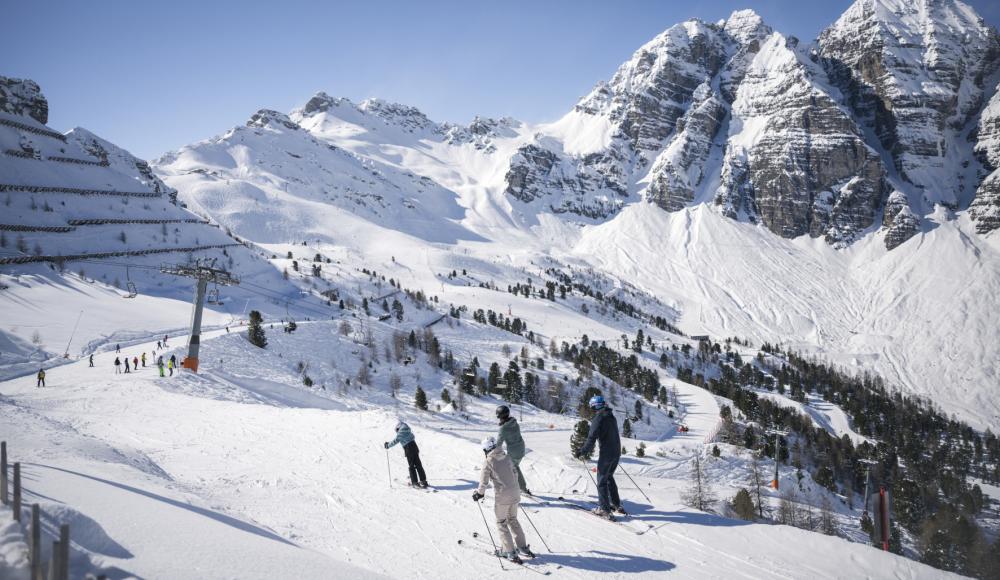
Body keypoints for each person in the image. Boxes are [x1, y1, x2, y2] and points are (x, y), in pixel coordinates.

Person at [472, 436, 534, 563]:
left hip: (503, 496)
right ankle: (522, 547)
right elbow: (515, 473)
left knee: (501, 522)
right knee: (513, 519)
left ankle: (509, 552)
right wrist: (513, 487)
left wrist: (479, 494)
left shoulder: (489, 461)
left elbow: (483, 481)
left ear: (486, 449)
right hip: (515, 492)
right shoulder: (506, 456)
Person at [576, 395, 624, 518]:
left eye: (591, 406)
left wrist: (582, 451)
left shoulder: (598, 418)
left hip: (607, 453)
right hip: (616, 452)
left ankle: (605, 510)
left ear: (594, 406)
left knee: (602, 481)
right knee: (609, 477)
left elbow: (591, 438)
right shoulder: (611, 416)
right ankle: (616, 504)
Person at [496, 405, 530, 495]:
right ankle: (523, 487)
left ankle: (513, 490)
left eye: (499, 417)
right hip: (521, 449)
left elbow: (498, 444)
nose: (498, 419)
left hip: (514, 452)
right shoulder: (515, 423)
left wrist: (492, 452)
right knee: (515, 467)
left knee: (509, 469)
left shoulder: (503, 429)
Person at [384, 421, 427, 488]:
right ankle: (423, 481)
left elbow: (394, 441)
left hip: (408, 450)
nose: (397, 432)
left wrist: (388, 445)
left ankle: (415, 482)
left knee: (411, 466)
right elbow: (413, 436)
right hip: (415, 447)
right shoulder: (408, 430)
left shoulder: (400, 434)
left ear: (399, 428)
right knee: (418, 465)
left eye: (397, 430)